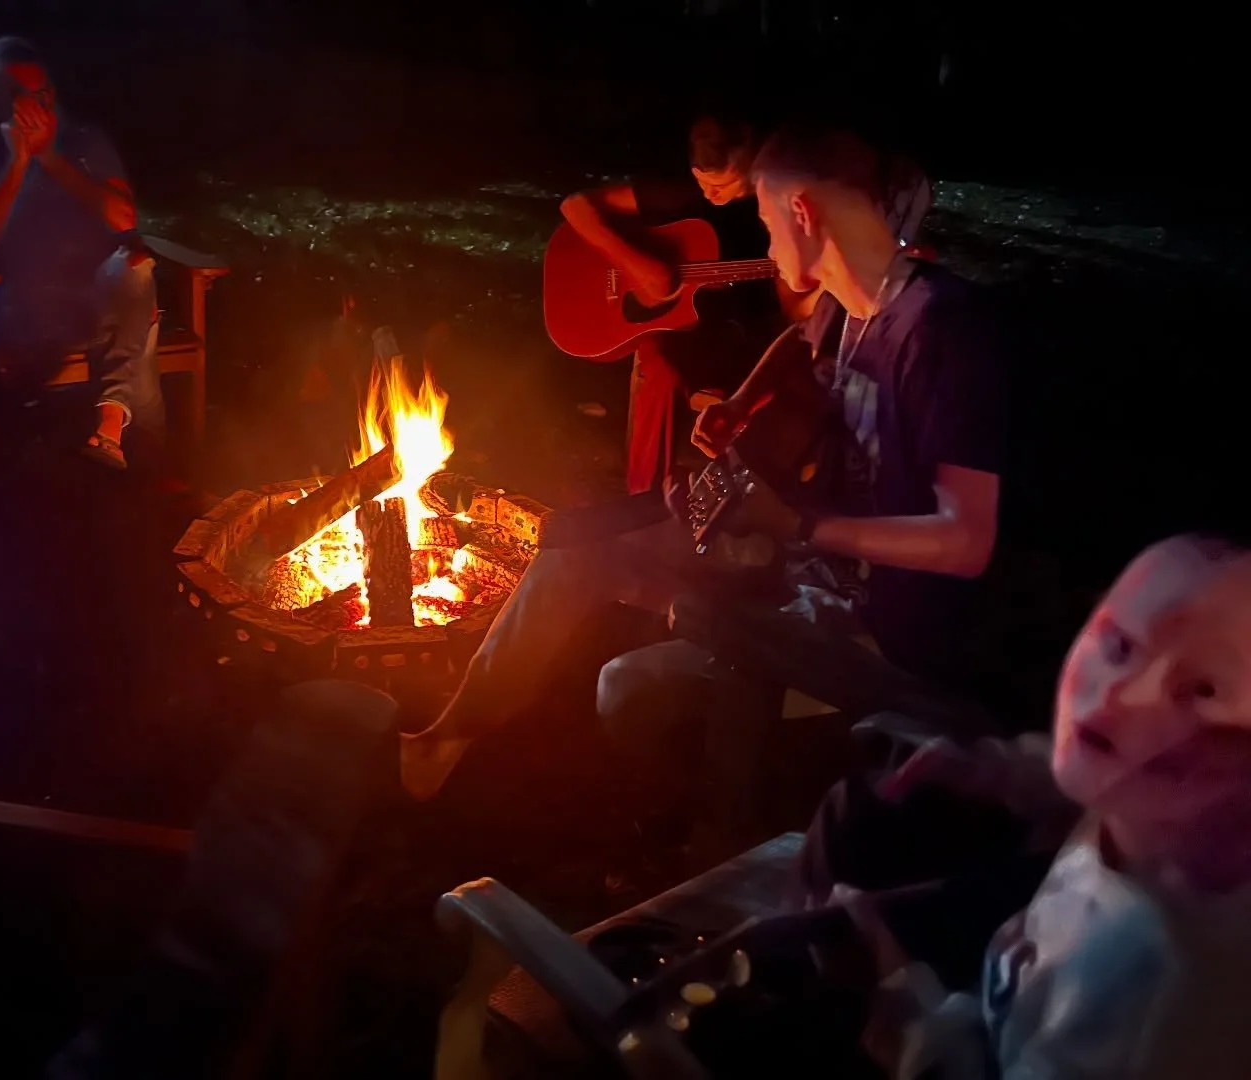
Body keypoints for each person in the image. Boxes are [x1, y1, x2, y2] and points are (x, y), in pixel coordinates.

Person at [401, 122, 1003, 803]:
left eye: (770, 226)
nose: (769, 249)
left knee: (627, 690)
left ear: (803, 214)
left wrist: (800, 525)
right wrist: (742, 405)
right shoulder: (852, 301)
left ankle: (706, 836)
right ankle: (442, 744)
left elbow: (965, 542)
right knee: (578, 549)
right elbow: (801, 345)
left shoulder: (945, 335)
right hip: (800, 566)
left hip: (877, 630)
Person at [824, 534, 1251, 1078]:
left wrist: (901, 1001)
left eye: (1204, 689)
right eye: (1120, 645)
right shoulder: (1152, 806)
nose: (1120, 694)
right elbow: (1089, 767)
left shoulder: (1159, 1001)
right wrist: (995, 771)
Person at [0, 37, 163, 472]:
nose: (32, 106)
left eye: (40, 94)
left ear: (51, 96)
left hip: (101, 294)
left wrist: (51, 159)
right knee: (139, 336)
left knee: (134, 272)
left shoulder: (82, 141)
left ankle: (112, 431)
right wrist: (18, 164)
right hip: (29, 308)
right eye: (16, 95)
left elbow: (123, 217)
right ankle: (151, 469)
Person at [559, 112, 781, 494]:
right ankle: (643, 501)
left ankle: (748, 502)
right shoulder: (684, 193)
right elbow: (575, 208)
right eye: (702, 182)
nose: (710, 195)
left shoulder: (779, 203)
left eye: (721, 184)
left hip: (737, 334)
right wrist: (638, 265)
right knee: (658, 366)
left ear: (752, 157)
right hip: (687, 332)